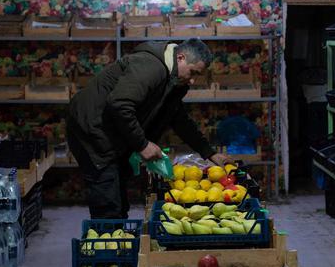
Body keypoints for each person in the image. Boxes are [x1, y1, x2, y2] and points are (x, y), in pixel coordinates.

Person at [66, 39, 232, 219]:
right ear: (181, 58)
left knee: (119, 193)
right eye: (192, 72)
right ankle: (107, 240)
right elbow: (120, 104)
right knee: (107, 196)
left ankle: (119, 235)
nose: (192, 80)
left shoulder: (175, 80)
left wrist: (209, 152)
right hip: (92, 130)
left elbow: (179, 119)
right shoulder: (150, 67)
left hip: (113, 131)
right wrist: (142, 145)